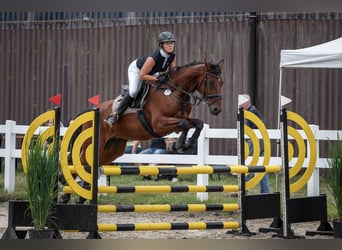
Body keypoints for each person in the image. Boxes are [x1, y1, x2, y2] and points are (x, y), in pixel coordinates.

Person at [105, 31, 177, 126]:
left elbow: (173, 72)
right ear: (161, 45)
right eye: (167, 43)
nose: (170, 45)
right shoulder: (153, 58)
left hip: (152, 71)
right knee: (133, 91)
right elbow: (142, 75)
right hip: (137, 70)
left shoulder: (172, 56)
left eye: (172, 43)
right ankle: (116, 115)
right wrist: (157, 78)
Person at [239, 94, 270, 194]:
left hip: (255, 141)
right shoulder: (253, 111)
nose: (240, 104)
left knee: (249, 165)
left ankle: (242, 189)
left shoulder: (251, 112)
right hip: (260, 141)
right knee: (261, 167)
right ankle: (265, 192)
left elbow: (252, 128)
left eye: (241, 102)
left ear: (247, 102)